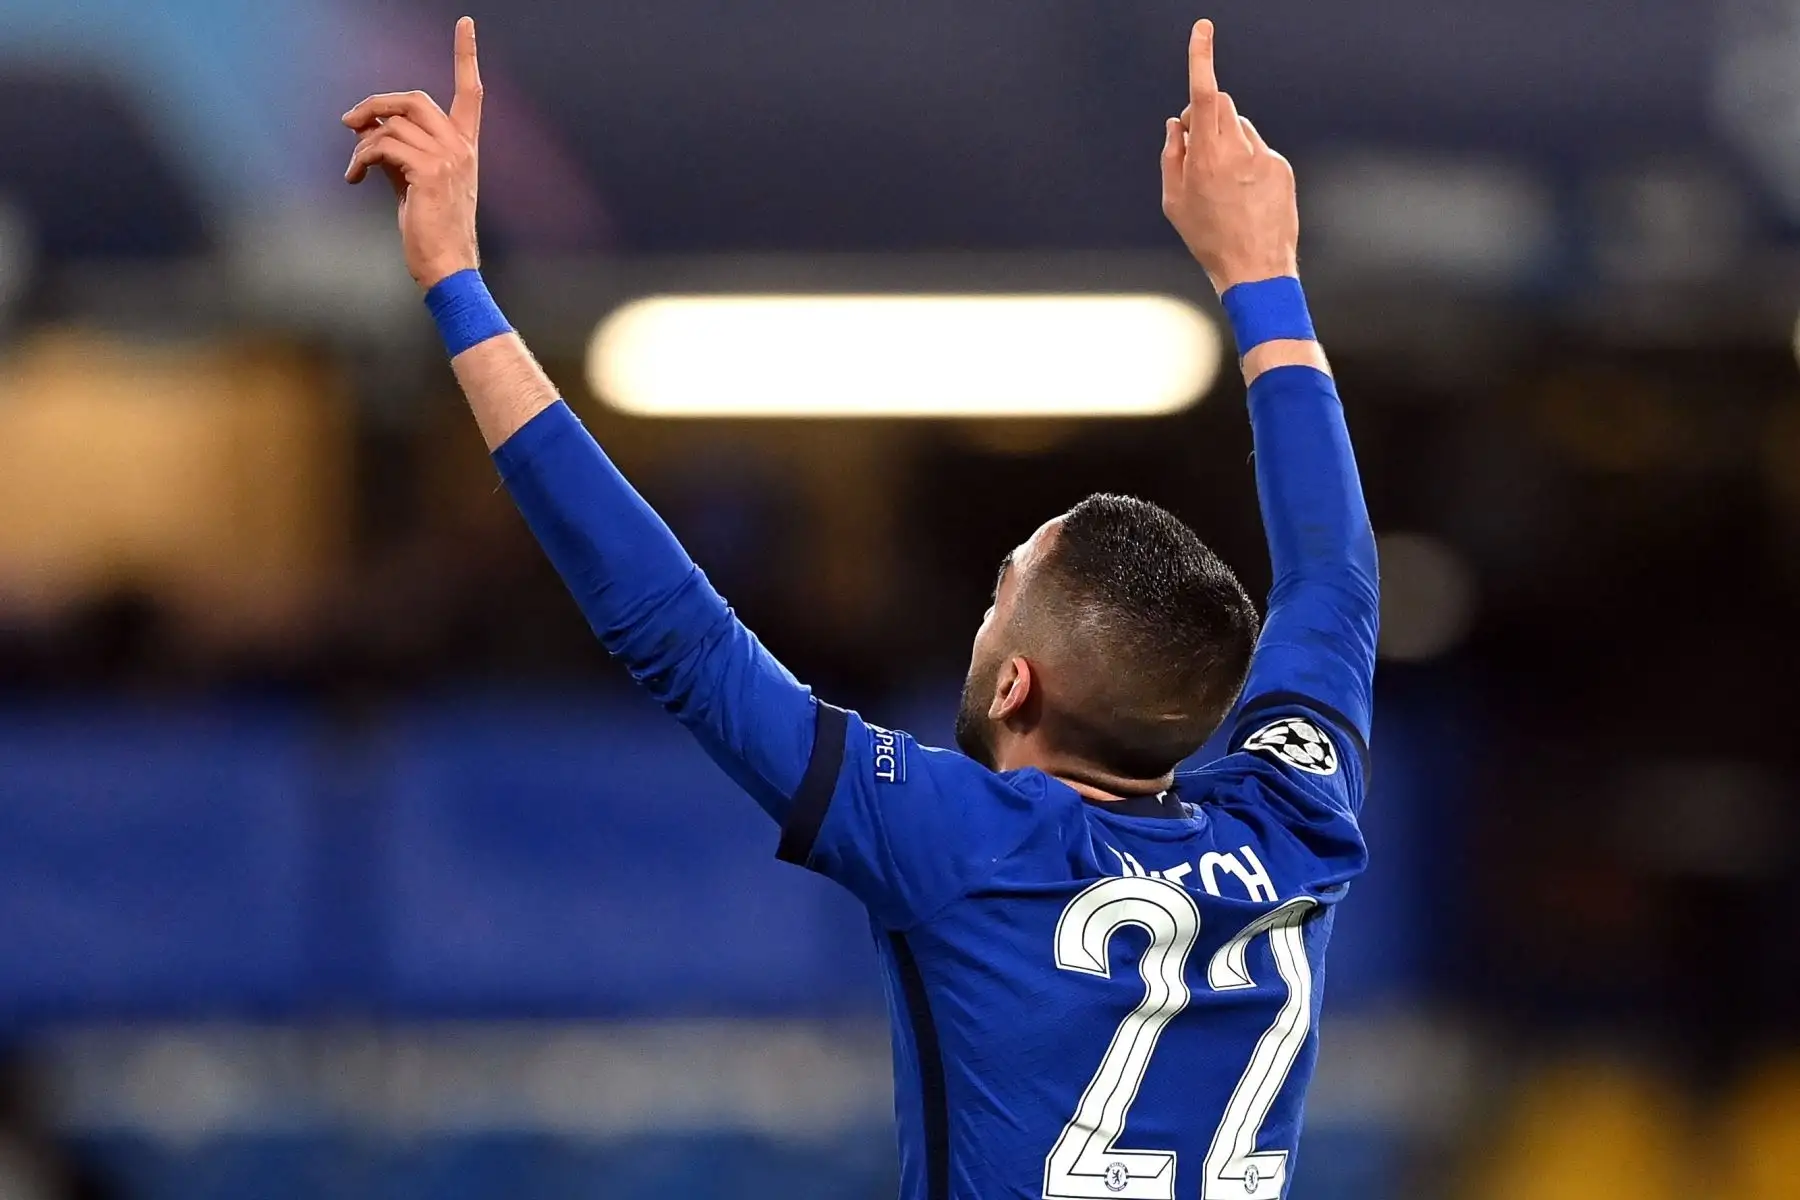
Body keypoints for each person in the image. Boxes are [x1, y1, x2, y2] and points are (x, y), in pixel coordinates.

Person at [343, 16, 1377, 1199]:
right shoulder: (1293, 830)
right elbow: (1334, 578)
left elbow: (677, 636)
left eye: (1005, 592)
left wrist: (461, 290)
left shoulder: (966, 843)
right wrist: (1263, 274)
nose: (987, 611)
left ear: (1015, 683)